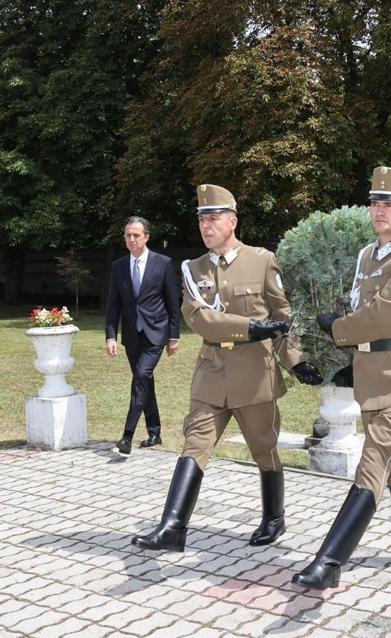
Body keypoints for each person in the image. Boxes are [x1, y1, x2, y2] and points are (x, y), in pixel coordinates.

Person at [131, 184, 322, 553]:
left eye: (214, 217)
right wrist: (251, 328)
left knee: (264, 448)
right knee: (195, 443)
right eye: (202, 218)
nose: (206, 225)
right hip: (212, 373)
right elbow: (201, 320)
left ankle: (273, 518)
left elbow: (282, 319)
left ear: (232, 221)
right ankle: (172, 526)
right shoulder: (192, 269)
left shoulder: (262, 260)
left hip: (255, 375)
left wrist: (297, 363)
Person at [292, 166, 391, 591]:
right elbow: (357, 304)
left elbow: (384, 314)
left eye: (389, 203)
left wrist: (337, 329)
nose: (380, 210)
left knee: (372, 464)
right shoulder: (366, 255)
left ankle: (329, 561)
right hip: (371, 376)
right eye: (375, 202)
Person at [106, 216, 181, 456]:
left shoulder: (163, 263)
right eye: (128, 235)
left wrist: (174, 336)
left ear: (146, 237)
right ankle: (155, 432)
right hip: (131, 336)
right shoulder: (118, 266)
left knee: (140, 375)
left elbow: (173, 303)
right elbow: (113, 305)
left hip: (156, 332)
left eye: (136, 235)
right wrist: (110, 336)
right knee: (144, 381)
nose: (131, 239)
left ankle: (127, 436)